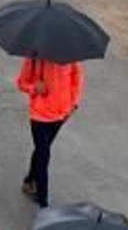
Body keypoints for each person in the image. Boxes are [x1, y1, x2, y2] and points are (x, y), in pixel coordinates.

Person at [18, 57, 82, 208]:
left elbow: (77, 77)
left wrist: (74, 103)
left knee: (41, 151)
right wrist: (34, 88)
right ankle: (43, 202)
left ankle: (29, 180)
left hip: (61, 114)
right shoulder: (34, 57)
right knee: (44, 154)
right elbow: (21, 82)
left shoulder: (69, 55)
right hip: (39, 116)